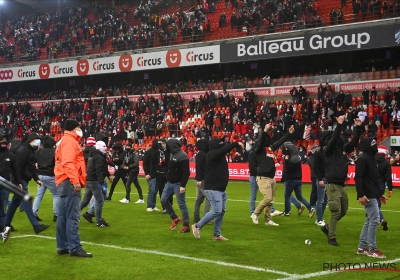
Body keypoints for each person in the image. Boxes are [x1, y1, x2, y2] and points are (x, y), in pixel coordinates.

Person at [320, 115, 362, 246]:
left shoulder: (343, 149)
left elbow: (354, 142)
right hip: (332, 184)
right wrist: (339, 124)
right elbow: (332, 141)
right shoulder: (328, 150)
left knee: (343, 211)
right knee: (336, 211)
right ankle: (331, 238)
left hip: (342, 184)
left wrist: (358, 128)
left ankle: (327, 227)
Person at [192, 138, 244, 240]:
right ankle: (197, 226)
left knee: (221, 211)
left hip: (221, 189)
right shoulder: (211, 154)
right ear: (215, 145)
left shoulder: (219, 156)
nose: (222, 144)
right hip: (213, 188)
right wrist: (236, 143)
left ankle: (216, 234)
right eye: (220, 143)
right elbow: (223, 150)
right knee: (217, 210)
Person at [55, 119, 92, 257]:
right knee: (73, 216)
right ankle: (75, 247)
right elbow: (68, 162)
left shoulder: (63, 141)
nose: (79, 129)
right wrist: (75, 180)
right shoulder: (70, 141)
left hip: (62, 180)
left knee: (63, 216)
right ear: (72, 128)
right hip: (69, 181)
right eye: (78, 127)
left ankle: (62, 246)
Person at [5, 133, 50, 234]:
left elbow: (32, 167)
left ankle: (6, 224)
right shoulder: (24, 151)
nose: (38, 142)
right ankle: (36, 226)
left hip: (22, 179)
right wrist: (18, 182)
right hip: (20, 180)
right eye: (36, 140)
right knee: (27, 201)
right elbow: (17, 167)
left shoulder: (31, 151)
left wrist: (36, 179)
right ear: (31, 140)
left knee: (15, 203)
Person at [250, 124, 295, 226]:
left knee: (270, 201)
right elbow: (261, 141)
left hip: (271, 177)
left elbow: (279, 142)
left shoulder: (269, 149)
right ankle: (255, 214)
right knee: (268, 199)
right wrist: (265, 130)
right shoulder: (258, 150)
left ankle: (268, 220)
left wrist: (289, 133)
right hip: (263, 177)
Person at [356, 138, 387, 258]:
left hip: (373, 193)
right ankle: (372, 249)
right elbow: (358, 178)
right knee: (375, 220)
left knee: (369, 220)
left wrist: (380, 194)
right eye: (373, 144)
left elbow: (374, 179)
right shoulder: (363, 159)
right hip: (367, 194)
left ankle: (361, 247)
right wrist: (361, 195)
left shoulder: (372, 159)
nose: (375, 146)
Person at [160, 139, 191, 233]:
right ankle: (175, 217)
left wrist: (183, 185)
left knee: (182, 204)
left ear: (172, 146)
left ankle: (186, 225)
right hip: (170, 182)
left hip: (178, 183)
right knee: (163, 200)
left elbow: (186, 172)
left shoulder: (183, 156)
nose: (165, 146)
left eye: (167, 145)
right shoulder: (172, 154)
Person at [80, 141, 109, 227]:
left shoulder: (92, 155)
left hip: (89, 180)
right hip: (94, 181)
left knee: (85, 201)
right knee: (100, 201)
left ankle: (73, 215)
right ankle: (99, 221)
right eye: (104, 146)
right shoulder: (98, 157)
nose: (105, 148)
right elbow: (99, 170)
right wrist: (101, 183)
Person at [282, 142, 315, 218]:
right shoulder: (297, 157)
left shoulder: (292, 158)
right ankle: (310, 208)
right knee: (299, 196)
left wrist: (286, 157)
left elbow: (288, 167)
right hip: (298, 180)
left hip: (292, 180)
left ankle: (287, 211)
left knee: (287, 195)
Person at [248, 144, 282, 217]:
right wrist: (261, 171)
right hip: (255, 176)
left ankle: (272, 209)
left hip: (261, 176)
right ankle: (252, 211)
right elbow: (252, 167)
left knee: (267, 195)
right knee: (253, 196)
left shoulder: (261, 154)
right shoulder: (252, 154)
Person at [0, 132, 22, 243]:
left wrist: (19, 182)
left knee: (3, 210)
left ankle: (2, 231)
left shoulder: (10, 156)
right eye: (1, 139)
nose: (3, 141)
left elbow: (15, 170)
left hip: (4, 187)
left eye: (5, 139)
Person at [32, 135, 58, 222]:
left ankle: (34, 213)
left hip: (40, 175)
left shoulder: (39, 151)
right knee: (56, 195)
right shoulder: (54, 152)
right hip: (50, 175)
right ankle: (56, 214)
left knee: (39, 196)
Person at [151, 139, 173, 212]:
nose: (162, 145)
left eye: (163, 143)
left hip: (168, 174)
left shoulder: (169, 152)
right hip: (159, 174)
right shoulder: (156, 153)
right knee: (161, 191)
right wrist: (154, 173)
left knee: (169, 191)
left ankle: (170, 206)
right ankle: (164, 207)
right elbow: (153, 164)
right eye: (160, 144)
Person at [193, 138, 211, 223]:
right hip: (202, 179)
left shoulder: (203, 154)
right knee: (209, 198)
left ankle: (196, 218)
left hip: (203, 179)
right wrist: (199, 179)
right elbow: (198, 167)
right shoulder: (201, 154)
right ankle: (206, 218)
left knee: (199, 199)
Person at [376, 145, 393, 231]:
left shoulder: (371, 161)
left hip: (372, 185)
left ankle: (381, 220)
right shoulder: (386, 163)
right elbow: (388, 177)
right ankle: (380, 220)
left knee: (372, 206)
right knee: (377, 205)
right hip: (381, 185)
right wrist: (390, 189)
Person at [312, 142, 328, 227]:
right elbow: (315, 167)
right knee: (321, 200)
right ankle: (319, 219)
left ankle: (320, 217)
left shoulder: (327, 154)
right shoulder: (318, 154)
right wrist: (320, 179)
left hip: (327, 179)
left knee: (325, 200)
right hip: (321, 178)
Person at [143, 139, 158, 211]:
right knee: (152, 190)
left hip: (157, 174)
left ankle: (153, 205)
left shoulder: (158, 152)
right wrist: (146, 173)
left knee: (155, 190)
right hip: (150, 174)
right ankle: (149, 206)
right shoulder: (148, 152)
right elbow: (145, 163)